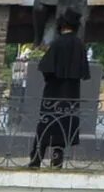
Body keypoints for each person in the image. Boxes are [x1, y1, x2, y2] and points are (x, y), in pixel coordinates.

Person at [31, 12, 91, 169]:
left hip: (54, 92)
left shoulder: (57, 44)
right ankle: (57, 160)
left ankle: (36, 160)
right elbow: (83, 72)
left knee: (46, 125)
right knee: (63, 126)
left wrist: (51, 79)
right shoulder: (79, 45)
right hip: (71, 93)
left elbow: (46, 68)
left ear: (61, 26)